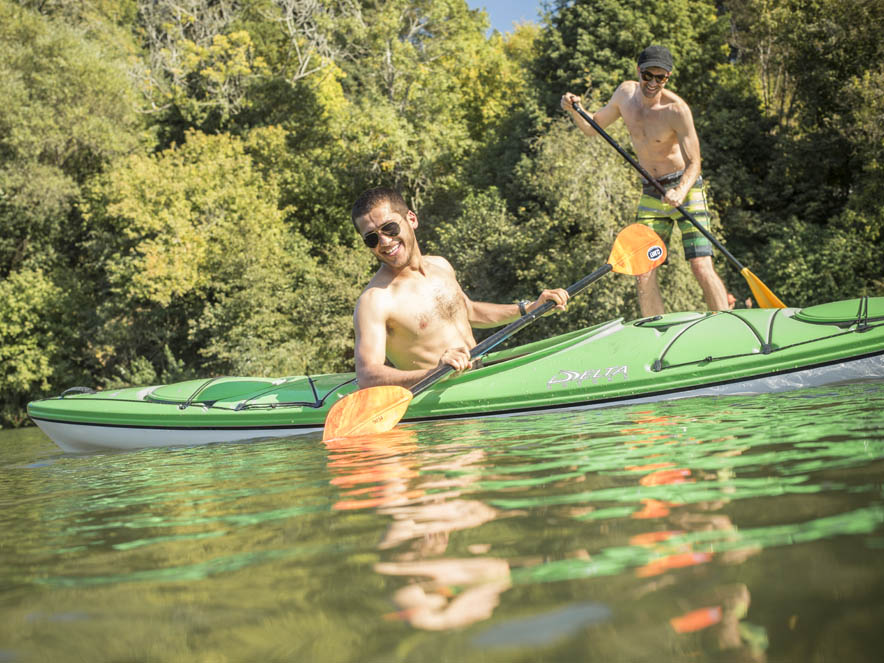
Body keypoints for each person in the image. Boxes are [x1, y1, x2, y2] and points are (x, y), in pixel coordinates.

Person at [561, 45, 728, 317]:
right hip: (652, 190)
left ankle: (726, 324)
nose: (652, 83)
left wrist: (680, 189)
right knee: (643, 268)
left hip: (685, 187)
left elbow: (695, 163)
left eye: (659, 78)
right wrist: (574, 109)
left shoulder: (677, 110)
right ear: (638, 71)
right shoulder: (625, 95)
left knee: (700, 264)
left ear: (668, 78)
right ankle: (656, 331)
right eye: (647, 75)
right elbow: (593, 128)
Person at [351, 187, 569, 389]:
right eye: (371, 238)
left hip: (479, 375)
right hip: (439, 399)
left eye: (389, 228)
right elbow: (367, 375)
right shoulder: (375, 300)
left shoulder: (440, 265)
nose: (385, 241)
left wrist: (530, 308)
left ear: (411, 219)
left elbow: (469, 311)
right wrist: (435, 372)